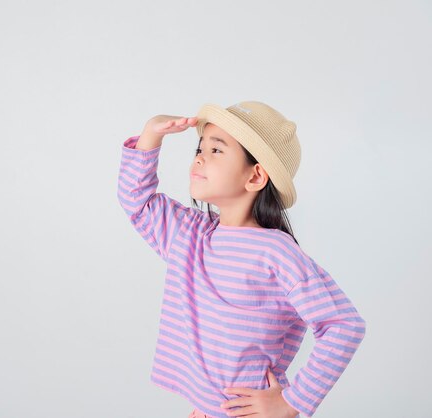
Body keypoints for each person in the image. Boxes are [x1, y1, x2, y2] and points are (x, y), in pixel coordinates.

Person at [116, 101, 366, 418]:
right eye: (199, 148)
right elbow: (136, 201)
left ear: (256, 176)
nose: (199, 158)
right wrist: (151, 133)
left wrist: (293, 402)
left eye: (217, 150)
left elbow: (344, 324)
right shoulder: (188, 235)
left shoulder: (276, 253)